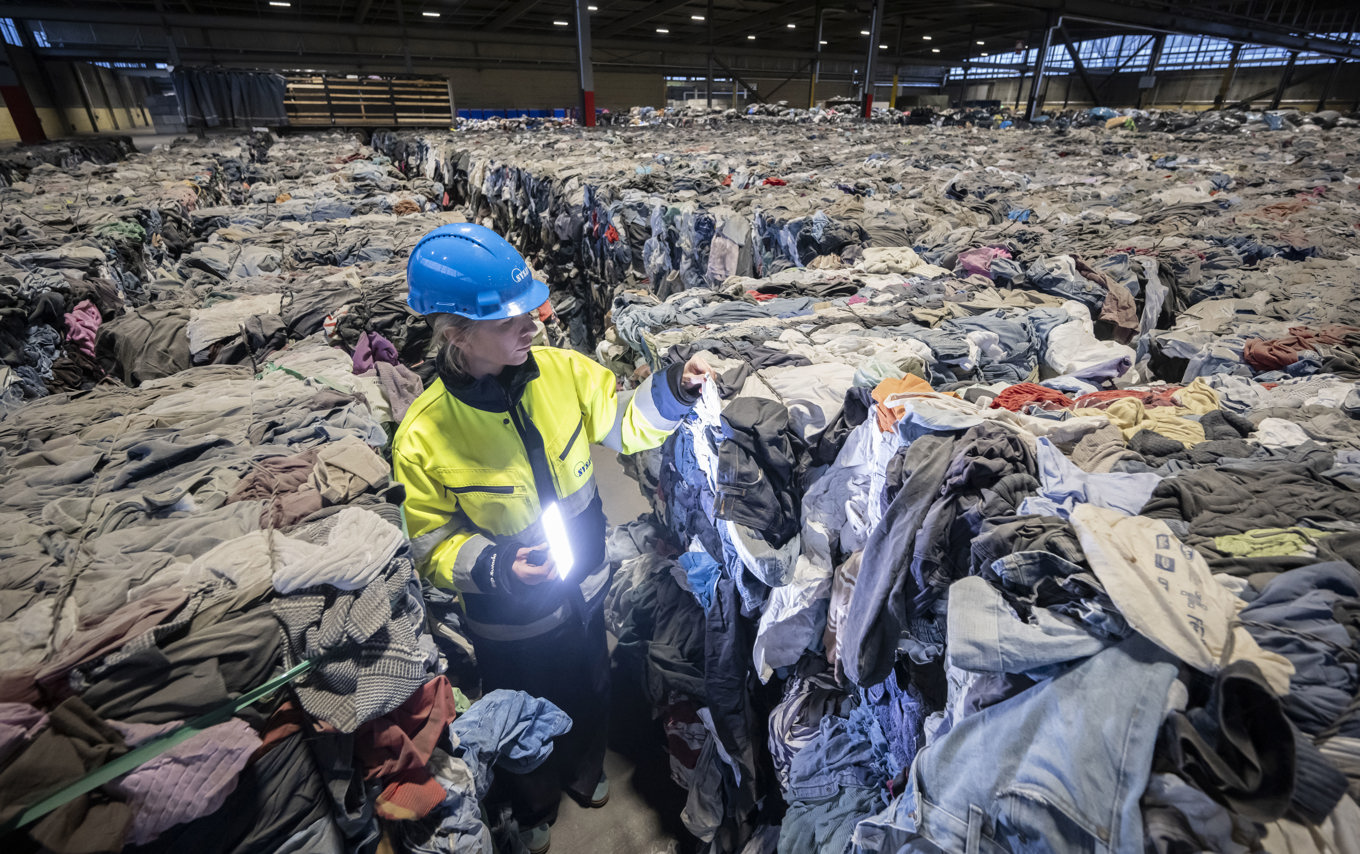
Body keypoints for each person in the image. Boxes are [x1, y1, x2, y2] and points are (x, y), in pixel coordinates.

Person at [392, 223, 711, 853]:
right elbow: (430, 545)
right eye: (510, 320)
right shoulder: (424, 435)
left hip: (585, 583)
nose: (533, 326)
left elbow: (625, 426)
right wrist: (498, 569)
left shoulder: (566, 374)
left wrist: (674, 389)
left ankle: (586, 771)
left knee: (589, 683)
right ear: (458, 333)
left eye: (530, 311)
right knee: (521, 705)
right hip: (509, 617)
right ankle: (534, 803)